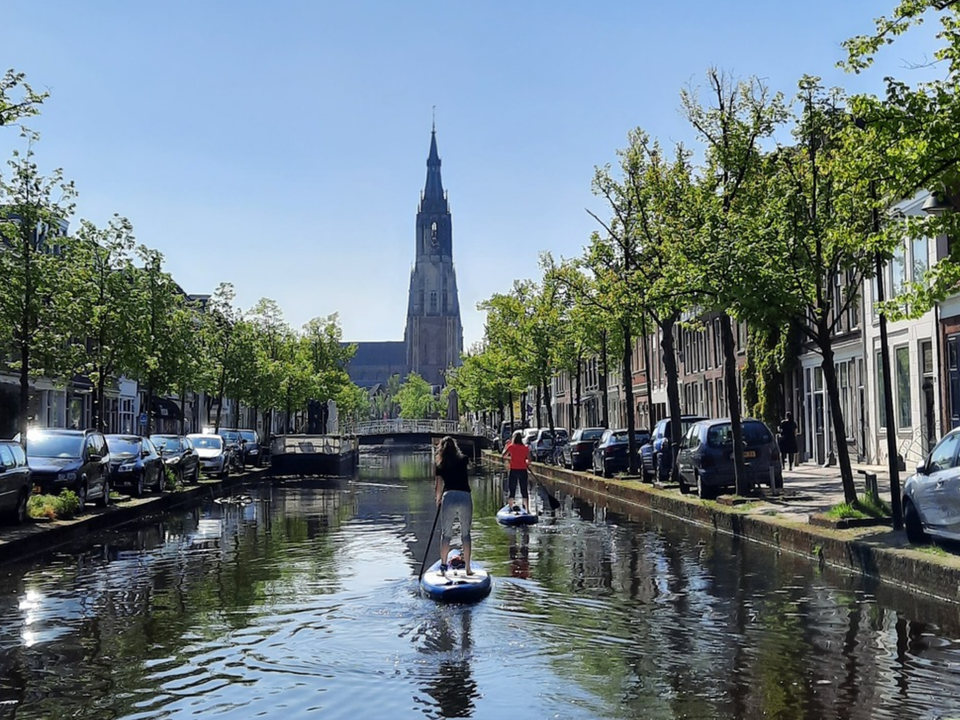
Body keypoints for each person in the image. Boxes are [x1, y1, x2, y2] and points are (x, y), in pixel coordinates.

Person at [434, 436, 473, 576]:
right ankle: (468, 568)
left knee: (446, 535)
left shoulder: (440, 464)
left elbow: (438, 486)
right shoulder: (463, 459)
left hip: (449, 496)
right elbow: (469, 468)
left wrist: (438, 500)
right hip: (464, 495)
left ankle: (443, 568)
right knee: (466, 534)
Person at [502, 429, 531, 511]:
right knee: (524, 490)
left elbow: (504, 455)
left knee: (512, 490)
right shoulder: (525, 448)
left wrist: (506, 446)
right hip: (523, 470)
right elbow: (529, 459)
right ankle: (527, 509)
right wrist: (526, 463)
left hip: (514, 470)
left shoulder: (511, 447)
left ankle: (510, 508)